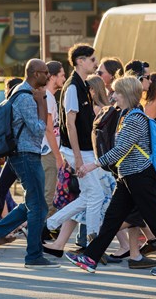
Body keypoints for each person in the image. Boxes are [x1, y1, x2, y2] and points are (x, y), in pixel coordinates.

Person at [65, 76, 156, 277]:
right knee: (112, 218)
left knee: (155, 220)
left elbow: (121, 150)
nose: (113, 95)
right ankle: (91, 257)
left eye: (117, 92)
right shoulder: (128, 115)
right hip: (129, 175)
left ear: (126, 94)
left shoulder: (135, 118)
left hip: (139, 175)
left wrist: (91, 165)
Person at [0, 59, 58, 268]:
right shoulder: (26, 97)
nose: (48, 76)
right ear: (33, 74)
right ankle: (33, 256)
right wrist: (41, 102)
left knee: (35, 203)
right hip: (25, 154)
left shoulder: (21, 91)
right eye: (45, 72)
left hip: (23, 154)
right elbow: (38, 129)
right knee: (39, 205)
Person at [48, 44, 112, 249]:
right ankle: (92, 241)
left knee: (91, 195)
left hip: (84, 150)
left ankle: (51, 224)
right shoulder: (73, 86)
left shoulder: (83, 85)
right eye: (92, 60)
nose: (95, 63)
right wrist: (76, 158)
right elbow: (69, 123)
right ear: (80, 61)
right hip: (77, 150)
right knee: (96, 195)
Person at [40, 61, 66, 218]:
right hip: (48, 151)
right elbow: (49, 129)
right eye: (62, 75)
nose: (64, 78)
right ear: (52, 77)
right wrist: (58, 157)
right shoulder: (47, 97)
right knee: (49, 196)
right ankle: (43, 232)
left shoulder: (49, 97)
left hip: (49, 150)